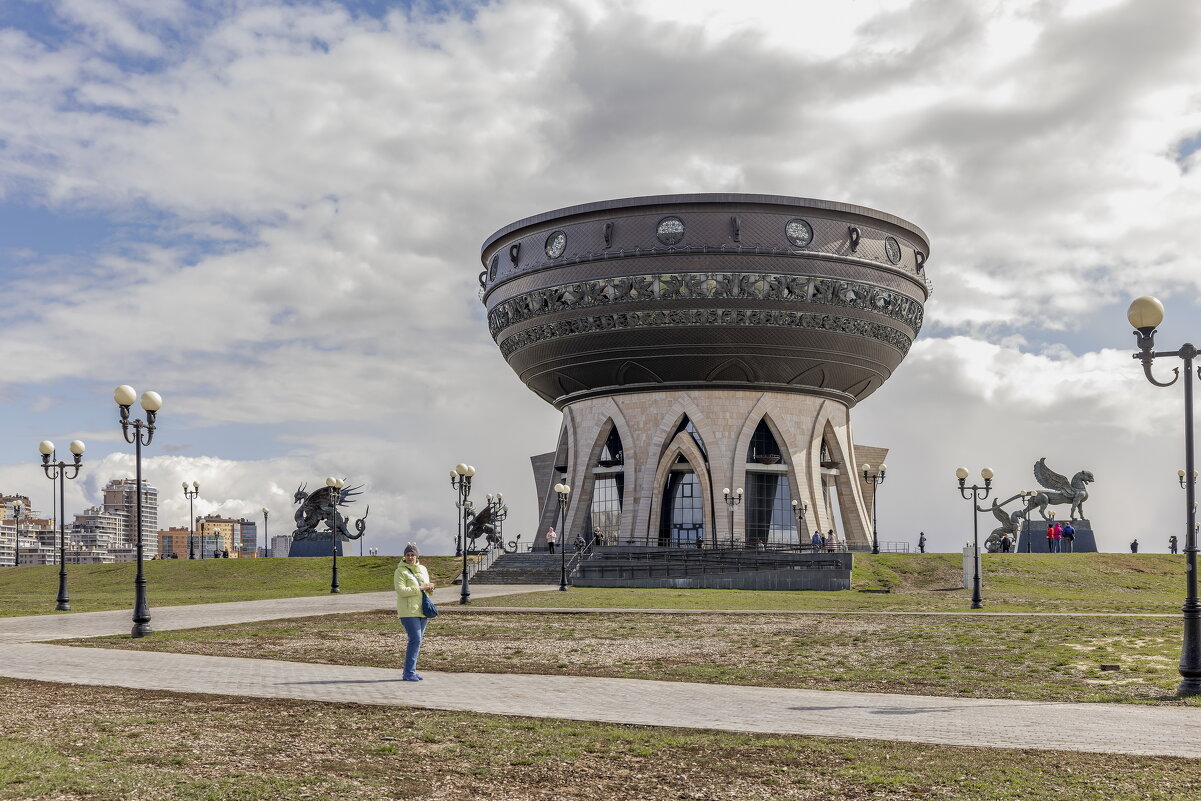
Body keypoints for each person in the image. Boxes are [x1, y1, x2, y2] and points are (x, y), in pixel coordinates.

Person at [394, 542, 435, 682]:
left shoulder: (423, 569)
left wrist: (430, 589)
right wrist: (421, 588)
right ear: (404, 556)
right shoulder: (400, 571)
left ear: (417, 556)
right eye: (408, 555)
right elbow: (401, 591)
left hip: (422, 611)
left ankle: (412, 671)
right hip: (408, 611)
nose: (410, 557)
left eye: (413, 555)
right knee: (415, 640)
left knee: (417, 642)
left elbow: (425, 590)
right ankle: (408, 673)